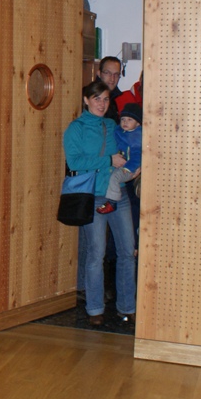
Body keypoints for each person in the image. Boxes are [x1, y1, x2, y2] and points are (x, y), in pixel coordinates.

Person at [63, 80, 137, 327]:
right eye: (97, 99)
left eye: (106, 99)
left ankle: (127, 307)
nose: (102, 104)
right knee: (96, 254)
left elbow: (127, 152)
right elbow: (74, 162)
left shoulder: (112, 125)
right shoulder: (76, 128)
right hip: (93, 196)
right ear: (86, 100)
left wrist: (132, 167)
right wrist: (108, 160)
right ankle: (94, 308)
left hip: (118, 195)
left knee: (127, 251)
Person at [97, 103, 142, 215]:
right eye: (123, 119)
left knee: (114, 178)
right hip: (121, 163)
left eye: (130, 120)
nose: (125, 122)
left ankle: (112, 202)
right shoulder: (120, 131)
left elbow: (137, 156)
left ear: (138, 123)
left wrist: (129, 168)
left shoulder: (136, 137)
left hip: (130, 168)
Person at [97, 56, 123, 122]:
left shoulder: (121, 99)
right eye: (107, 73)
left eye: (116, 74)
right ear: (99, 73)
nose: (112, 79)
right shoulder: (88, 96)